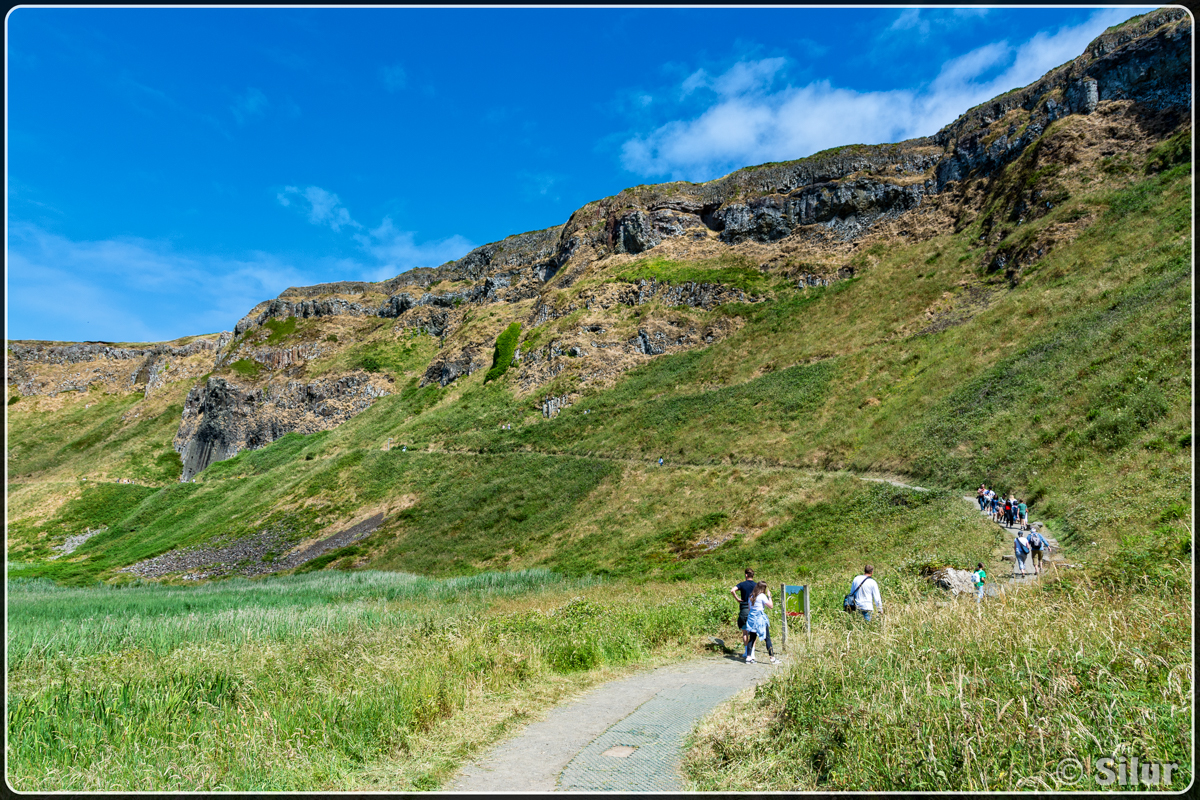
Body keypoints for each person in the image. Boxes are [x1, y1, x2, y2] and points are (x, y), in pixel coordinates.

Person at [741, 582, 780, 664]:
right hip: (759, 619)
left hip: (751, 618)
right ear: (763, 588)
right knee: (767, 638)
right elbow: (771, 606)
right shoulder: (762, 596)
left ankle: (748, 658)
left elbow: (749, 608)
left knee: (752, 638)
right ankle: (772, 658)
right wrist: (769, 596)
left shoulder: (751, 596)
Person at [730, 569, 757, 652]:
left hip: (744, 608)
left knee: (745, 632)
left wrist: (738, 599)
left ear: (746, 575)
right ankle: (752, 652)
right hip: (753, 609)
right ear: (753, 575)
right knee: (753, 633)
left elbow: (732, 590)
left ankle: (746, 651)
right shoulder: (756, 585)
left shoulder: (742, 584)